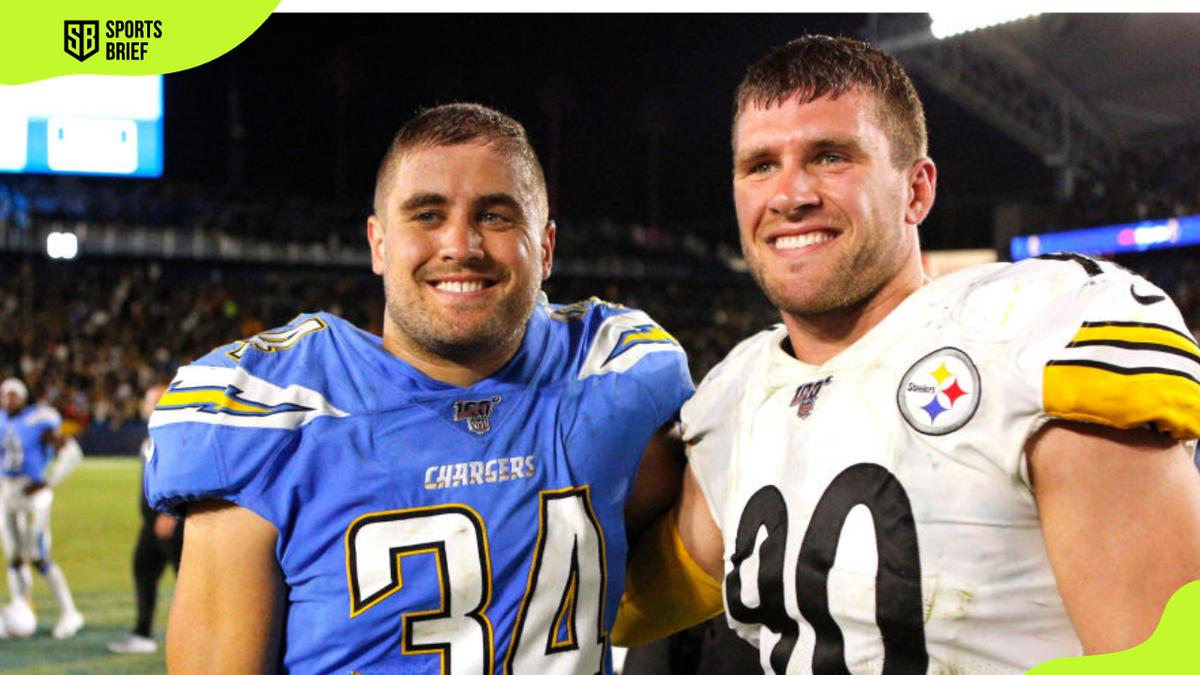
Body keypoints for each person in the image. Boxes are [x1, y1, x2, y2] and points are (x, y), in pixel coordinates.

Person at [613, 35, 1200, 673]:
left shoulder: (1033, 328)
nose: (790, 194)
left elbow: (1165, 654)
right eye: (760, 165)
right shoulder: (735, 394)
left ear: (917, 191)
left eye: (831, 156)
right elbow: (594, 604)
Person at [145, 103, 693, 673]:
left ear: (547, 247)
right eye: (428, 215)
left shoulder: (611, 370)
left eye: (497, 216)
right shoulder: (275, 411)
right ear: (379, 244)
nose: (461, 244)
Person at [0, 377, 85, 639]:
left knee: (38, 555)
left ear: (24, 397)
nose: (8, 399)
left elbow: (72, 453)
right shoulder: (2, 419)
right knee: (14, 557)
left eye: (13, 394)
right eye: (5, 394)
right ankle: (21, 609)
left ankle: (70, 613)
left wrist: (47, 481)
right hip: (9, 491)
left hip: (34, 493)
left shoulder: (38, 419)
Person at [108, 383, 182, 654]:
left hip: (171, 522)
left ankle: (197, 640)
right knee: (143, 570)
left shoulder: (177, 432)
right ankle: (143, 634)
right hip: (151, 523)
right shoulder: (152, 435)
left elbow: (185, 475)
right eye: (150, 400)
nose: (152, 405)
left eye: (158, 400)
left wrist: (171, 511)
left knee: (187, 582)